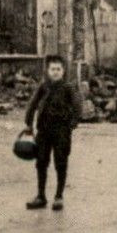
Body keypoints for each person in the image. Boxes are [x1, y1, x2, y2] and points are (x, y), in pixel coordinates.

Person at [24, 55, 83, 211]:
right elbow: (32, 104)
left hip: (61, 131)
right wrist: (29, 123)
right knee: (41, 162)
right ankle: (41, 196)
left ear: (63, 71)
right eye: (52, 69)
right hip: (43, 130)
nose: (55, 72)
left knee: (60, 162)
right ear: (48, 71)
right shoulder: (44, 86)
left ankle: (58, 197)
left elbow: (78, 107)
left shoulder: (69, 87)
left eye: (58, 69)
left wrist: (72, 124)